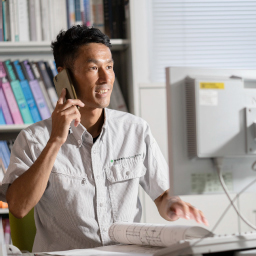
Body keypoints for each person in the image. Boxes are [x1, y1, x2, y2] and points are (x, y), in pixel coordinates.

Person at [1, 26, 208, 252]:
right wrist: (55, 141)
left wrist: (172, 204)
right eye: (93, 68)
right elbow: (19, 207)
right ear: (64, 76)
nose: (106, 77)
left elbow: (162, 194)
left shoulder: (135, 129)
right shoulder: (34, 138)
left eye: (109, 66)